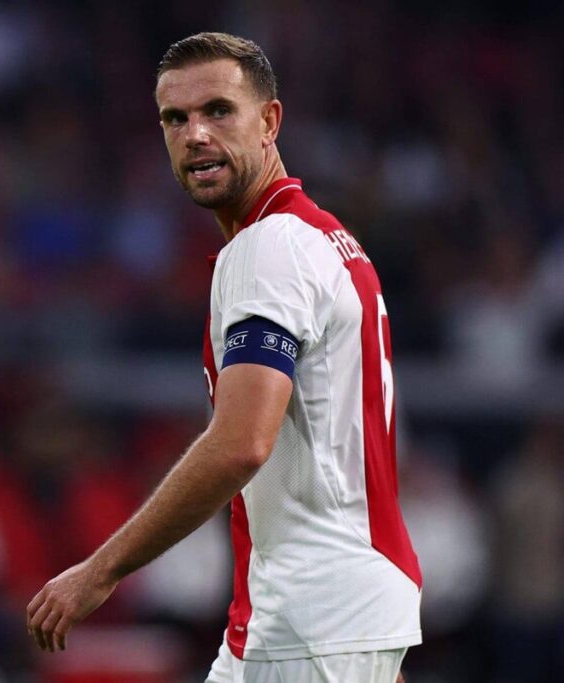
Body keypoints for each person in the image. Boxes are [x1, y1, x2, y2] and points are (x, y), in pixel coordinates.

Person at [26, 32, 421, 683]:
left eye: (217, 111)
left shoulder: (268, 250)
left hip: (310, 621)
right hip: (323, 617)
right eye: (175, 119)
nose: (194, 134)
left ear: (269, 121)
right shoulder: (329, 241)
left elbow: (241, 442)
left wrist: (99, 572)